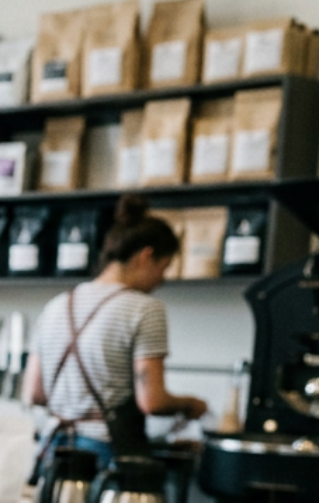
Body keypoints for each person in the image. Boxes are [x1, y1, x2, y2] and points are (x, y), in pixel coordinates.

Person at [22, 195, 208, 470]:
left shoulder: (56, 305)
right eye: (164, 267)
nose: (162, 280)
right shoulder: (145, 309)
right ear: (146, 256)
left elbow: (34, 394)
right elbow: (152, 401)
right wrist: (190, 404)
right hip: (106, 453)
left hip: (53, 447)